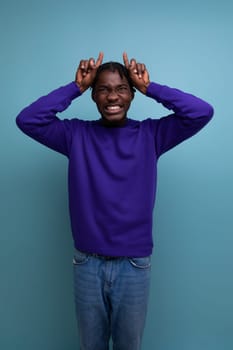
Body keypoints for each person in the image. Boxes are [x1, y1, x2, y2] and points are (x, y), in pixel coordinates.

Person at [16, 52, 214, 350]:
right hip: (87, 263)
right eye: (103, 89)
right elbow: (28, 120)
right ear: (93, 95)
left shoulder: (151, 135)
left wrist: (151, 88)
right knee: (90, 345)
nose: (113, 96)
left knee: (128, 346)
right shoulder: (75, 135)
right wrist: (75, 87)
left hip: (134, 264)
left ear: (132, 94)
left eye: (122, 88)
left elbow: (201, 112)